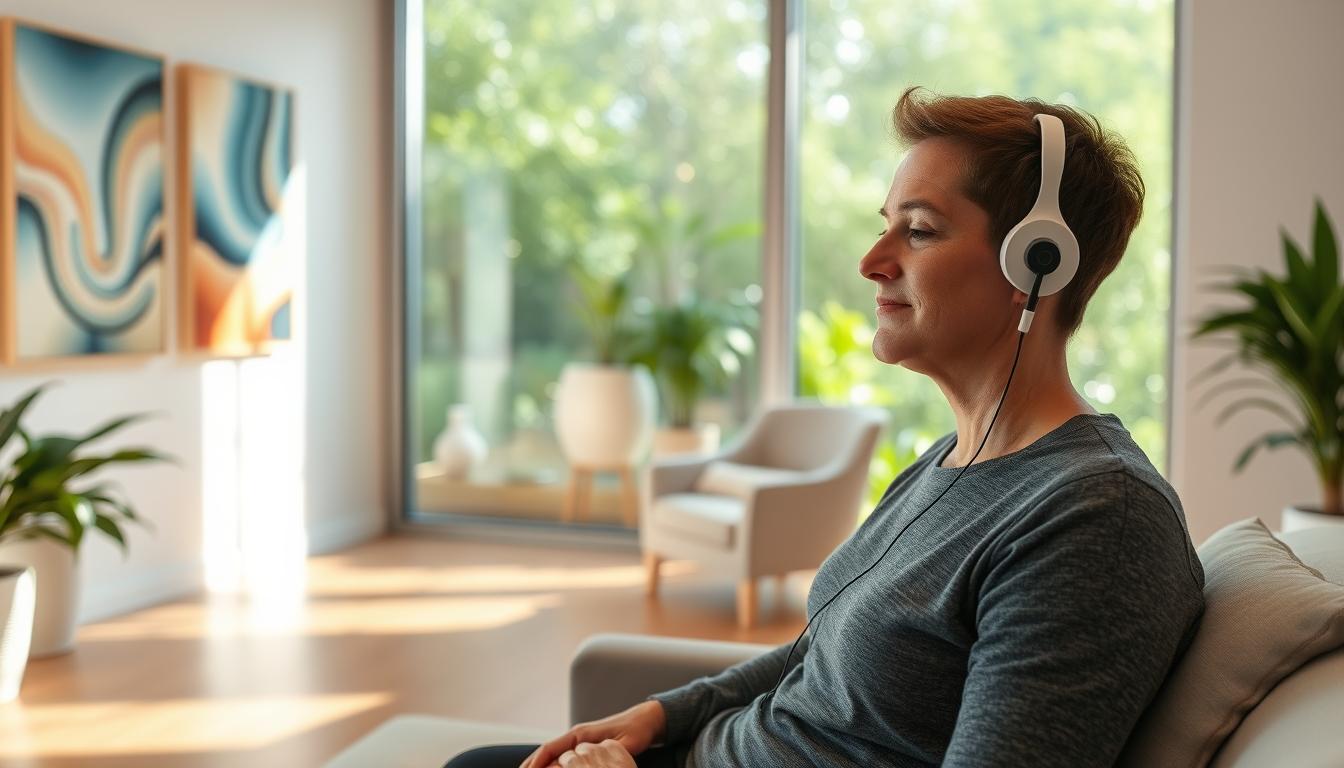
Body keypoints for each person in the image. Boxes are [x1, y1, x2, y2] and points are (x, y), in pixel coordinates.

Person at [445, 86, 1206, 768]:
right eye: (887, 226)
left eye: (919, 231)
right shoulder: (951, 462)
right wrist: (666, 712)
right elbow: (823, 655)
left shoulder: (1096, 518)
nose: (873, 261)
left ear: (1036, 265)